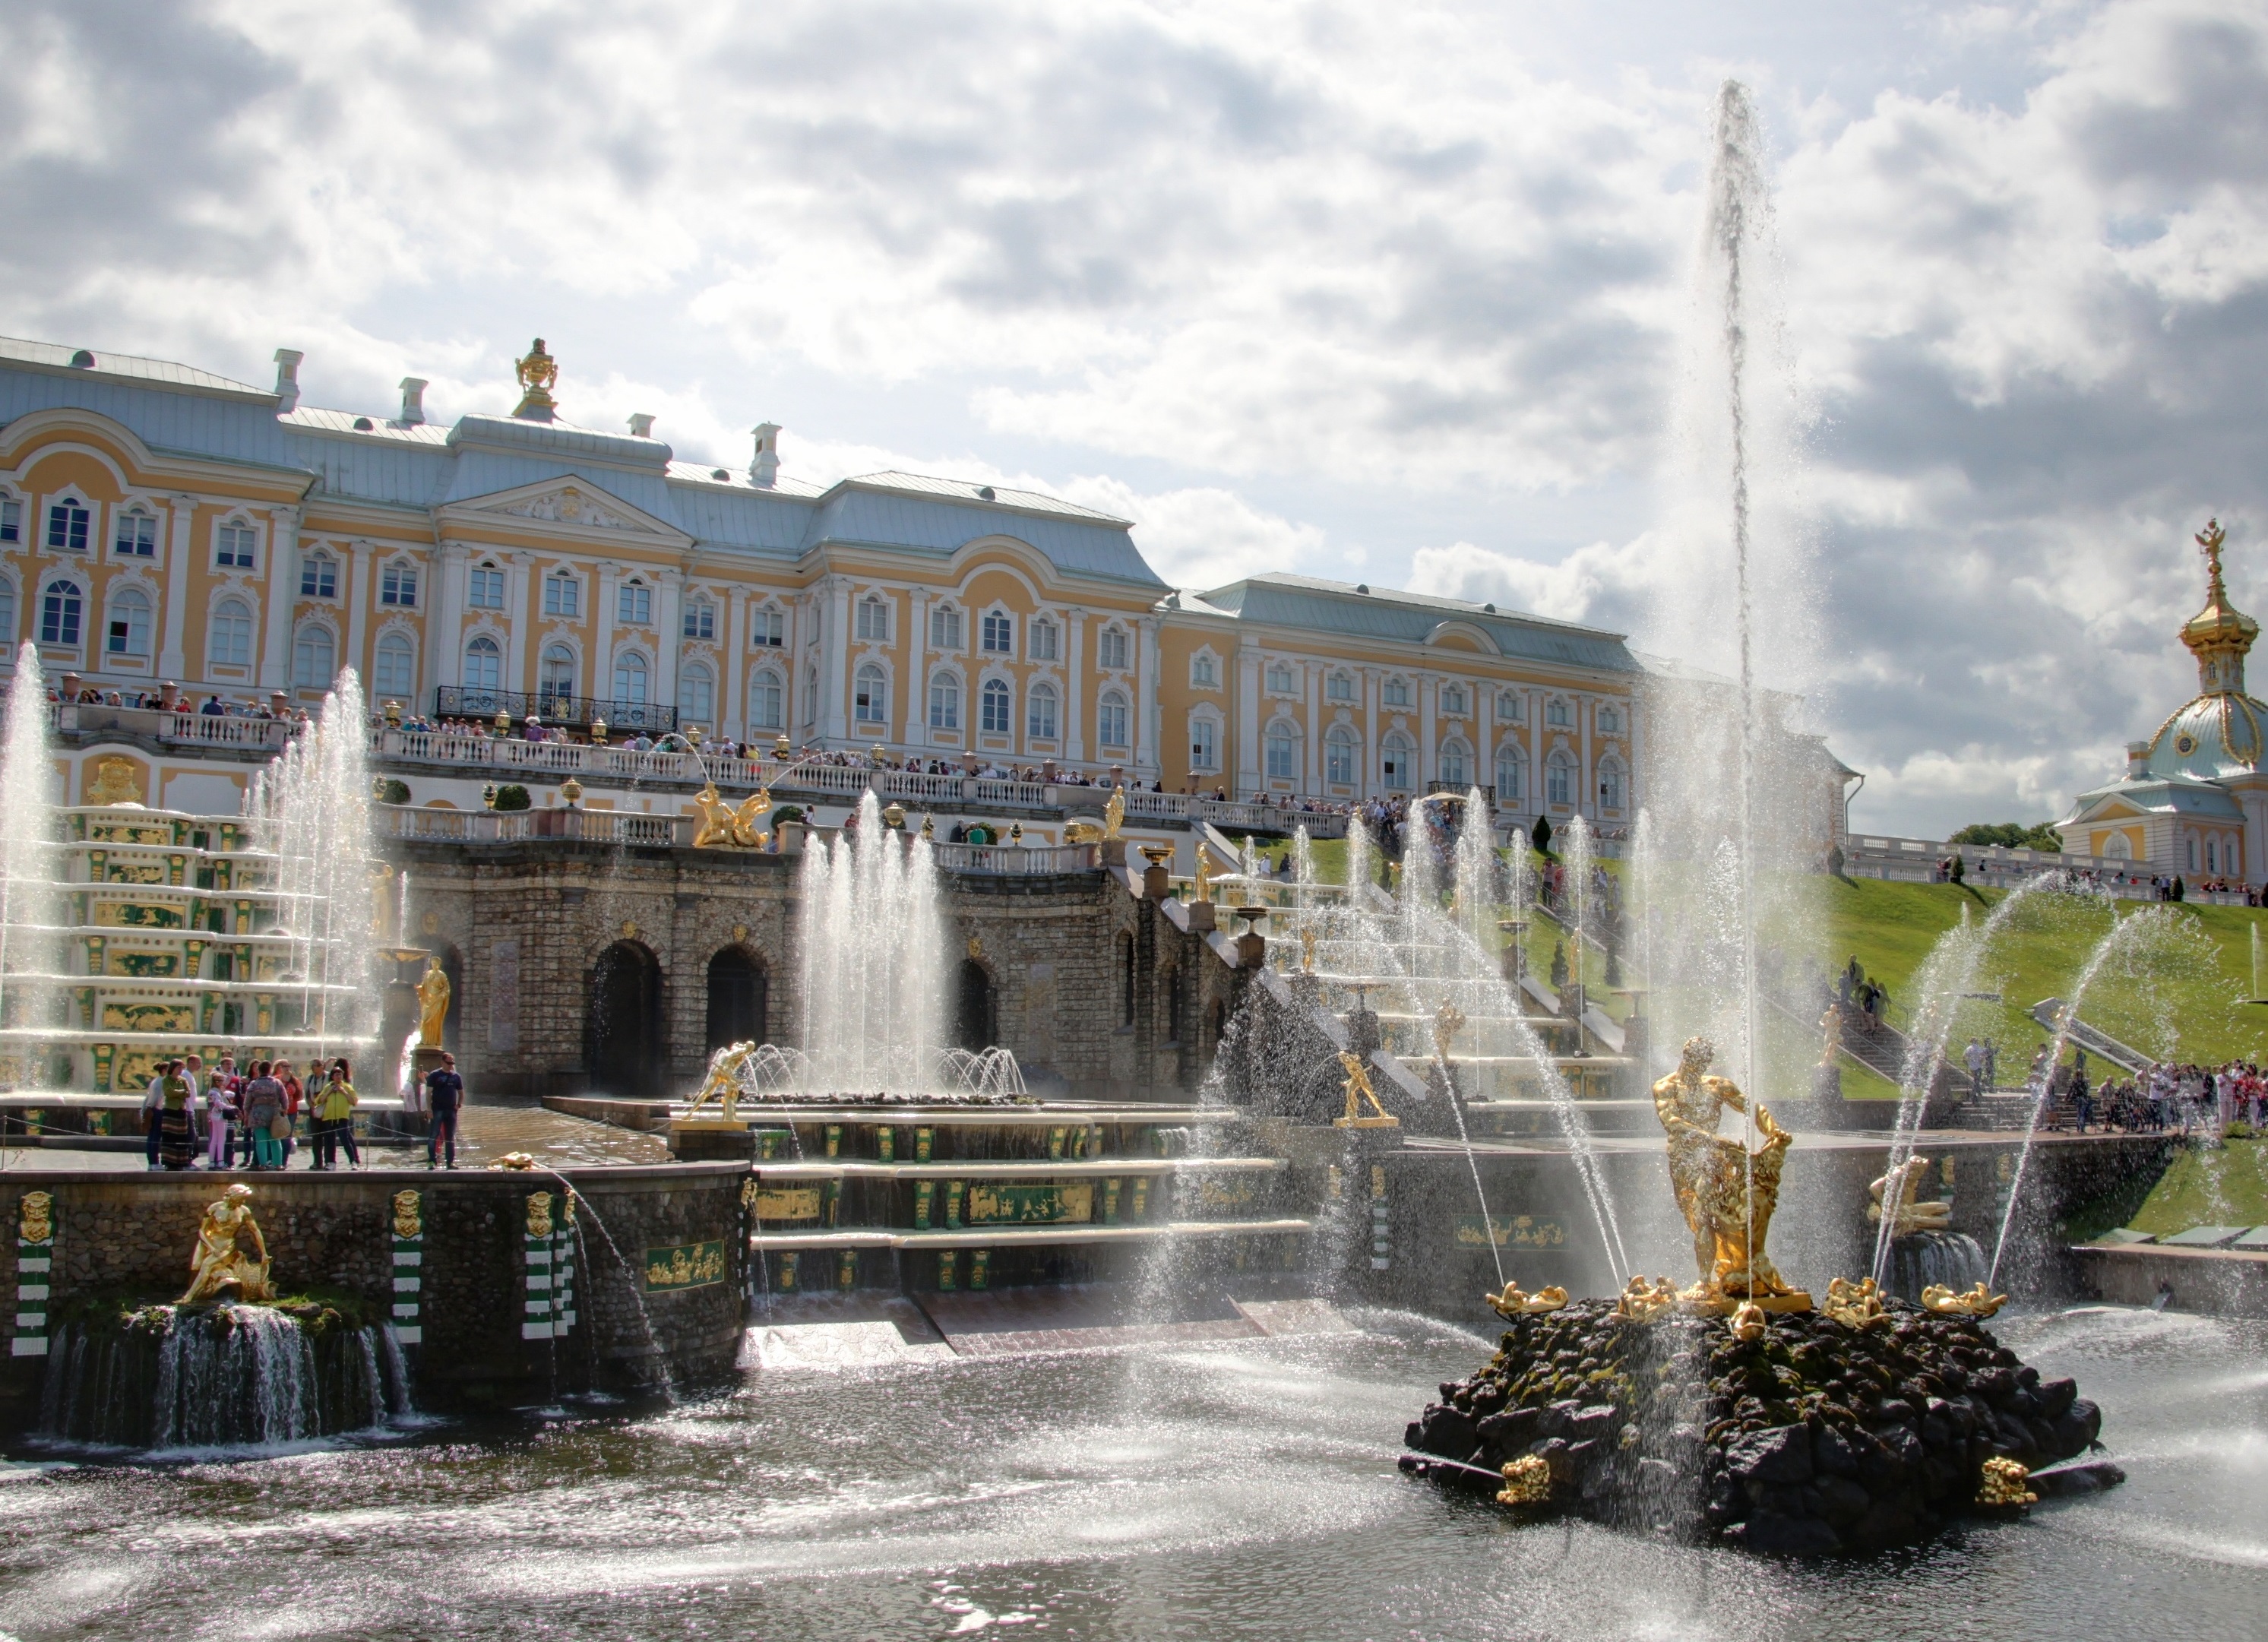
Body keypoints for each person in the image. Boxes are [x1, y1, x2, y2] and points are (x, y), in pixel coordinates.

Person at [309, 1059, 360, 1171]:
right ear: (332, 1076)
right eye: (336, 1074)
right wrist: (329, 1092)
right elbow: (319, 1101)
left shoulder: (347, 1087)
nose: (339, 1076)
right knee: (329, 1141)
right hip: (329, 1117)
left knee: (345, 1139)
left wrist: (343, 1092)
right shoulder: (328, 1087)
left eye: (340, 1074)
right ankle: (330, 1162)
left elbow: (354, 1102)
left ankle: (353, 1161)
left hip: (342, 1117)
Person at [240, 1061, 286, 1171]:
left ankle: (262, 1164)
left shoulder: (254, 1084)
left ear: (259, 1071)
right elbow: (284, 1099)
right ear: (270, 1070)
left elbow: (247, 1102)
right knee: (275, 1139)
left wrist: (246, 1115)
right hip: (274, 1114)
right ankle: (278, 1164)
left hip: (258, 1114)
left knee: (261, 1141)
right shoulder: (277, 1083)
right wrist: (284, 1111)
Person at [425, 1051, 464, 1169]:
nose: (451, 1065)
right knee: (434, 1135)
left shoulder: (456, 1076)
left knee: (450, 1137)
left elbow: (461, 1092)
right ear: (442, 1062)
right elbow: (428, 1093)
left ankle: (450, 1162)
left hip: (451, 1110)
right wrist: (429, 1110)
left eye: (452, 1063)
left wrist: (459, 1104)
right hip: (437, 1109)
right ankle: (432, 1161)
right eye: (448, 1063)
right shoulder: (434, 1075)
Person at [157, 1060, 198, 1170]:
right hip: (170, 1110)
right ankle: (169, 1162)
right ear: (173, 1068)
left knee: (181, 1136)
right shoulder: (167, 1079)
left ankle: (181, 1162)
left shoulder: (183, 1080)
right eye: (178, 1068)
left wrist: (178, 1092)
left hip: (181, 1110)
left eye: (182, 1068)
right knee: (170, 1136)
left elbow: (188, 1093)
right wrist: (181, 1092)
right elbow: (169, 1092)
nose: (180, 1070)